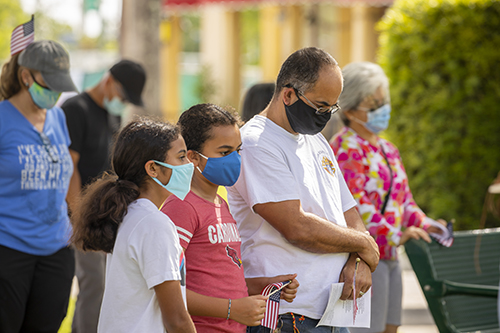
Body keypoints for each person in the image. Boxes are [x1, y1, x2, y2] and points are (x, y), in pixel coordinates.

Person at [226, 47, 380, 333]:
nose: (325, 116)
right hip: (285, 315)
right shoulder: (257, 143)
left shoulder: (317, 141)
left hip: (333, 313)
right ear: (289, 95)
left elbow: (348, 213)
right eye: (321, 106)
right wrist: (362, 245)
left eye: (332, 108)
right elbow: (296, 227)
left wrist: (358, 260)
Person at [330, 61, 447, 333]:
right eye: (373, 106)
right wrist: (396, 234)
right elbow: (357, 206)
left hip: (392, 256)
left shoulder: (388, 149)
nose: (383, 110)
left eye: (383, 102)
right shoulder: (345, 147)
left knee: (391, 326)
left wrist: (426, 223)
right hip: (365, 258)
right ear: (349, 110)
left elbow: (403, 199)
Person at [161, 103, 299, 332]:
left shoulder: (220, 204)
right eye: (224, 153)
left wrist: (262, 286)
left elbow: (218, 281)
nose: (235, 160)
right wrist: (231, 309)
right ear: (193, 157)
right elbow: (167, 290)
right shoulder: (182, 207)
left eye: (238, 150)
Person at [71, 118, 196, 333]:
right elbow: (176, 319)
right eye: (181, 157)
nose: (189, 165)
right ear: (153, 168)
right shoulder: (154, 224)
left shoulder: (130, 213)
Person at [61, 59, 146, 333]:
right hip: (81, 216)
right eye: (121, 94)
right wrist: (78, 216)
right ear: (108, 80)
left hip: (107, 215)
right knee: (93, 283)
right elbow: (68, 166)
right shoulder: (76, 109)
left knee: (104, 286)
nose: (121, 101)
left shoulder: (113, 117)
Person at [0, 40, 78, 332]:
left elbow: (66, 174)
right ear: (26, 77)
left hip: (56, 249)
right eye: (50, 84)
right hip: (8, 249)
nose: (55, 93)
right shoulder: (2, 119)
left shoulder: (58, 117)